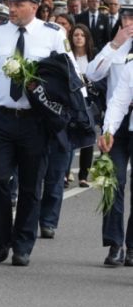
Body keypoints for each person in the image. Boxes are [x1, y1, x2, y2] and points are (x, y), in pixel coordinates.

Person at [0, 0, 68, 267]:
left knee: (30, 186)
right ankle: (2, 239)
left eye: (18, 4)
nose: (11, 9)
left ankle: (23, 243)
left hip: (35, 121)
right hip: (1, 117)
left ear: (34, 7)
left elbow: (65, 76)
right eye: (10, 3)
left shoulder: (53, 35)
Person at [87, 0, 133, 267]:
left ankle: (132, 246)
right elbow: (93, 74)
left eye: (132, 17)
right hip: (115, 121)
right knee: (113, 184)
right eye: (126, 17)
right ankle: (114, 243)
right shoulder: (115, 47)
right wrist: (115, 44)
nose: (129, 22)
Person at [67, 24, 95, 190]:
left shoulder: (92, 57)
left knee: (87, 138)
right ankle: (65, 172)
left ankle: (83, 175)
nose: (78, 37)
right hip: (71, 101)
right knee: (69, 136)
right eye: (75, 35)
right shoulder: (68, 57)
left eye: (81, 35)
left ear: (86, 38)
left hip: (87, 102)